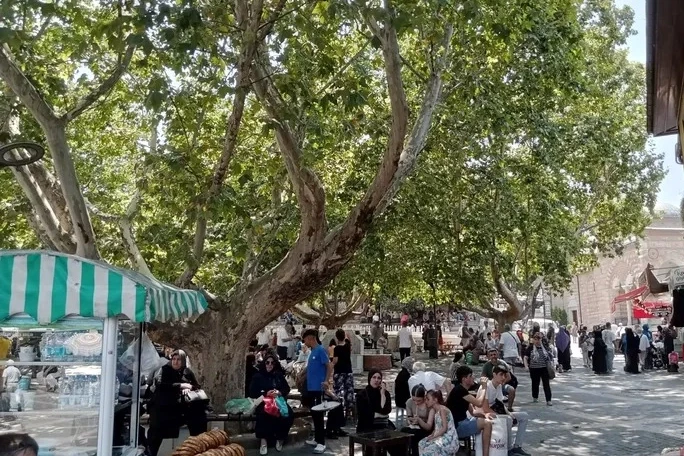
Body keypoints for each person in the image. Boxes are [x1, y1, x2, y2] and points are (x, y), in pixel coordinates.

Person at [148, 350, 207, 456]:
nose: (175, 362)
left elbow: (196, 386)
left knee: (198, 423)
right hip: (164, 409)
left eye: (179, 359)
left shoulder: (187, 372)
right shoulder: (165, 370)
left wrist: (189, 388)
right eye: (174, 359)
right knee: (156, 435)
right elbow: (161, 385)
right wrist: (181, 386)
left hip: (182, 409)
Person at [477, 366, 531, 455]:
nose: (503, 378)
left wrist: (509, 413)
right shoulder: (487, 387)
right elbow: (485, 408)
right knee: (507, 420)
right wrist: (505, 417)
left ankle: (517, 446)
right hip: (484, 414)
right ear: (494, 374)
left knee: (524, 416)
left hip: (495, 411)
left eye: (504, 375)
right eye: (501, 375)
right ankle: (509, 450)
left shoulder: (498, 386)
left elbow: (500, 404)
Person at [248, 353, 295, 455]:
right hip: (264, 401)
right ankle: (263, 441)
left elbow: (286, 388)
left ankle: (280, 438)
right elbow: (252, 391)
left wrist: (279, 392)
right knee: (263, 414)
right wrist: (265, 393)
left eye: (272, 363)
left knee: (288, 414)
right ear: (264, 363)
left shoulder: (278, 375)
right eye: (267, 362)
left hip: (278, 401)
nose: (270, 365)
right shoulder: (258, 376)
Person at [446, 366, 493, 456]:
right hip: (456, 427)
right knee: (487, 424)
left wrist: (485, 415)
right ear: (464, 379)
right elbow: (479, 403)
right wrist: (484, 387)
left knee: (486, 420)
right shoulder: (459, 390)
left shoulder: (463, 391)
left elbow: (473, 412)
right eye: (471, 376)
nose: (473, 378)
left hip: (463, 422)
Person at [356, 370, 403, 456]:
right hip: (367, 426)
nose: (376, 380)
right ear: (369, 378)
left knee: (397, 443)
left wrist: (382, 394)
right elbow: (363, 413)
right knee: (373, 446)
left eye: (379, 378)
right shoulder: (361, 395)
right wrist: (377, 415)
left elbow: (386, 410)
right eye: (374, 377)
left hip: (383, 425)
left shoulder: (385, 394)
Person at [302, 329, 333, 454]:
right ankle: (316, 439)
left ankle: (321, 442)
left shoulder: (320, 350)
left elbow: (329, 366)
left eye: (305, 340)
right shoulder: (313, 351)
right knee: (314, 414)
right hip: (311, 388)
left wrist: (326, 381)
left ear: (311, 338)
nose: (304, 343)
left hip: (318, 388)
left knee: (319, 415)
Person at [417, 390, 459, 456]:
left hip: (448, 438)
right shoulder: (435, 410)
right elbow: (437, 427)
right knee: (421, 443)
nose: (426, 402)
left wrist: (434, 437)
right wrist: (431, 435)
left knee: (431, 448)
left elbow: (444, 428)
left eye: (428, 399)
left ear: (435, 400)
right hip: (440, 435)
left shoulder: (442, 410)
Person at [331, 329, 354, 437]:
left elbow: (335, 361)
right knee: (348, 392)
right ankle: (348, 412)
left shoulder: (337, 348)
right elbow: (349, 339)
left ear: (336, 337)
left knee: (338, 393)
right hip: (348, 371)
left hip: (339, 372)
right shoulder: (348, 346)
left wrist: (330, 365)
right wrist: (346, 336)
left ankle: (339, 411)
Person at [401, 385, 433, 456]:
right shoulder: (409, 402)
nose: (416, 403)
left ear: (424, 397)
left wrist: (419, 420)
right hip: (414, 427)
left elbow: (429, 426)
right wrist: (410, 421)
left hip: (425, 428)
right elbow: (408, 417)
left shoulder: (428, 404)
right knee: (403, 431)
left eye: (419, 400)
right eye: (414, 400)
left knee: (414, 437)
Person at [523, 333, 553, 406]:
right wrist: (526, 366)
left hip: (544, 368)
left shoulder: (544, 347)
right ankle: (535, 396)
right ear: (533, 340)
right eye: (535, 339)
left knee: (546, 384)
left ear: (541, 340)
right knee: (535, 383)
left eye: (539, 339)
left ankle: (548, 400)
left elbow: (550, 357)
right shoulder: (530, 348)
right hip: (534, 369)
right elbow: (525, 357)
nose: (537, 341)